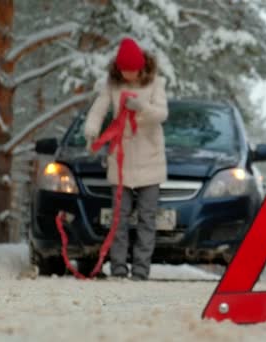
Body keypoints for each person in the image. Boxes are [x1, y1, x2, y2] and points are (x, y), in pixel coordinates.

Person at [84, 37, 168, 281]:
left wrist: (141, 106)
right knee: (119, 220)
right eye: (124, 70)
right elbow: (98, 110)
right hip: (121, 162)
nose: (129, 75)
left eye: (133, 70)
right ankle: (119, 269)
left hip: (150, 162)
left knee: (147, 219)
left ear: (142, 67)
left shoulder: (156, 84)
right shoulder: (111, 86)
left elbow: (162, 114)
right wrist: (91, 131)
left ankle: (141, 271)